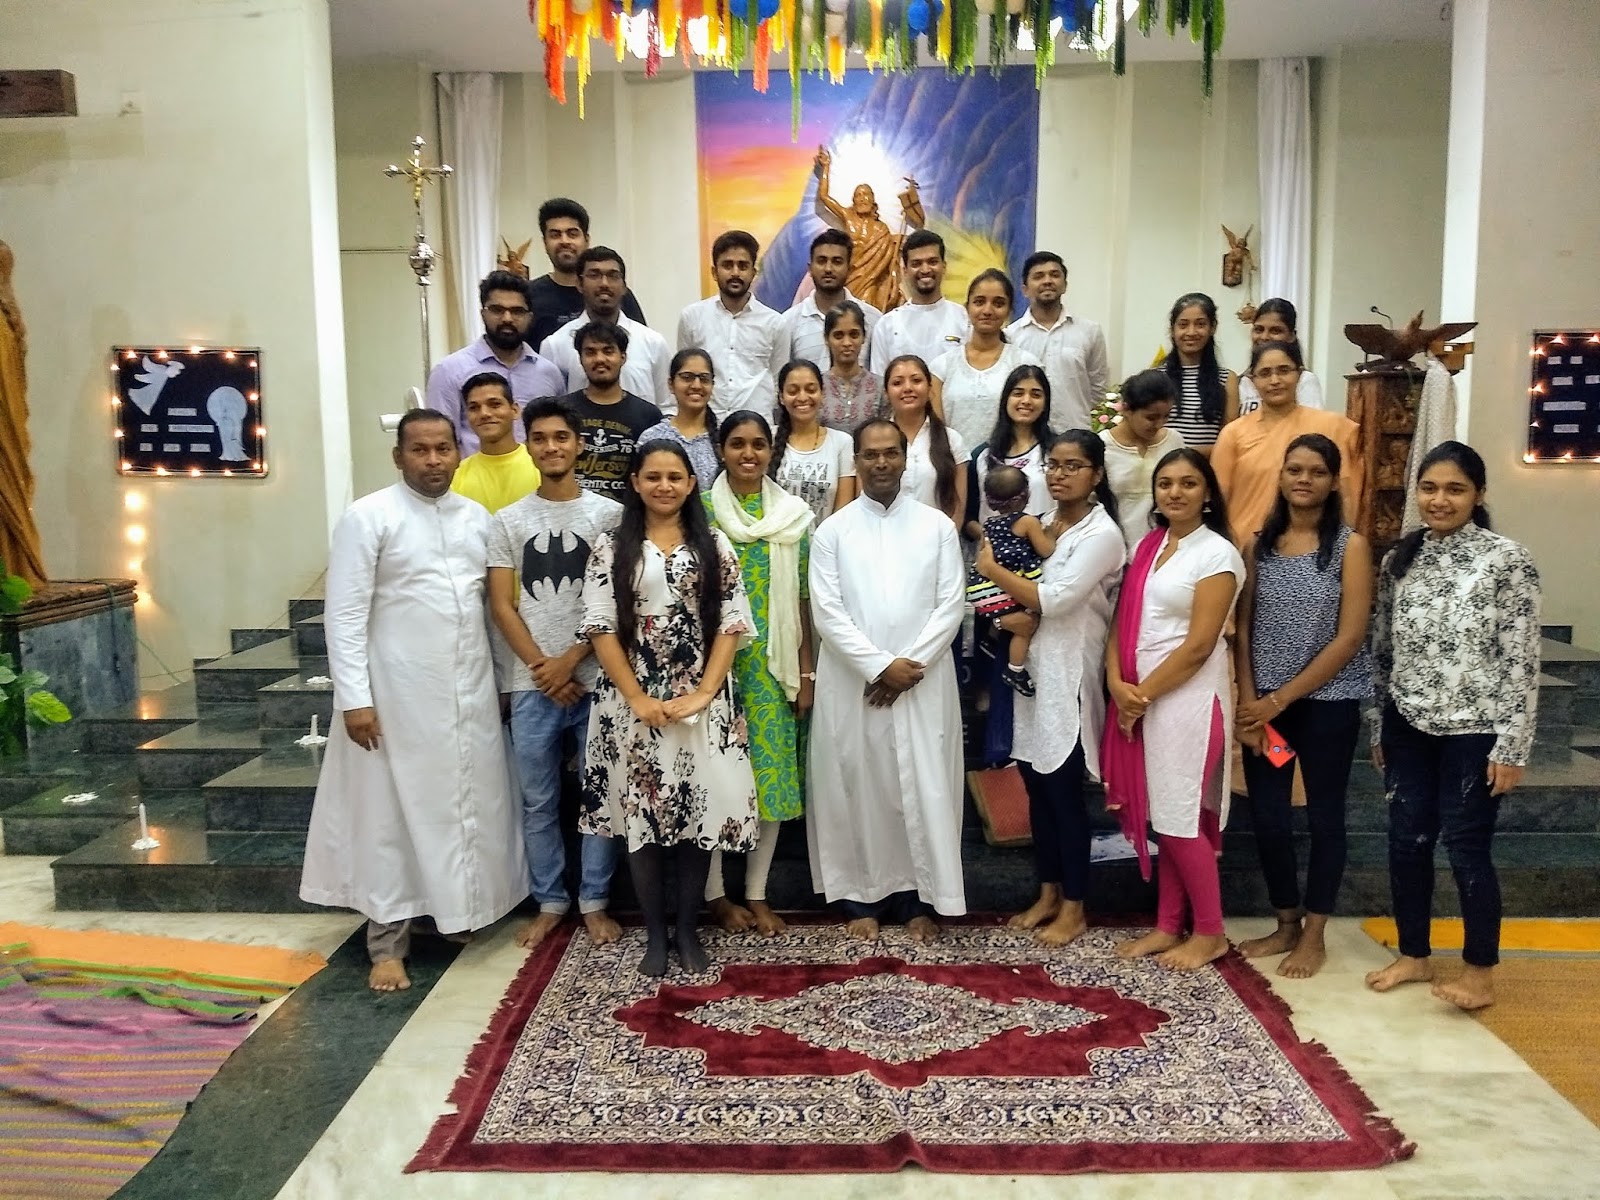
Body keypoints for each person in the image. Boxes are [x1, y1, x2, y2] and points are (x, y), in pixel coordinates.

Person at [300, 410, 528, 992]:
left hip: (469, 695)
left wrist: (503, 682)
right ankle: (387, 943)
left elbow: (492, 611)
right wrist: (355, 699)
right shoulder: (369, 517)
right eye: (420, 450)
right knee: (391, 818)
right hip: (395, 699)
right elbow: (344, 615)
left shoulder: (476, 518)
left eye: (443, 448)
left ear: (458, 452)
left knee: (465, 809)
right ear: (398, 456)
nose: (433, 460)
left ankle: (455, 914)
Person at [1365, 441, 1541, 1011]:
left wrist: (1513, 744)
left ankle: (1478, 973)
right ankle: (1414, 954)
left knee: (1466, 847)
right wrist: (1378, 723)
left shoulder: (1507, 560)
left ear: (1479, 494)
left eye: (1455, 489)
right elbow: (1382, 649)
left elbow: (1521, 658)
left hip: (1476, 729)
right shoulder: (1399, 560)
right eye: (1430, 488)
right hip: (1407, 722)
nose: (1440, 500)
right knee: (1406, 841)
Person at [578, 440, 759, 977]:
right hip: (631, 701)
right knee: (644, 818)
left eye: (675, 477)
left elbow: (732, 622)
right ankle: (655, 935)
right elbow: (600, 626)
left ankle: (687, 930)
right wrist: (636, 697)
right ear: (635, 482)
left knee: (695, 814)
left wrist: (703, 693)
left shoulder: (714, 544)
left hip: (700, 699)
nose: (664, 486)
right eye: (653, 476)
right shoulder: (611, 546)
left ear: (690, 483)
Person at [808, 420, 967, 941]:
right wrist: (879, 666)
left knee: (922, 784)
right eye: (871, 455)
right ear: (855, 461)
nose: (881, 463)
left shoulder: (936, 527)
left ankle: (919, 900)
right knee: (857, 784)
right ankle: (860, 900)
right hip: (855, 681)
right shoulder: (832, 532)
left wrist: (907, 667)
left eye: (891, 453)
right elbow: (827, 613)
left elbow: (951, 604)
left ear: (905, 458)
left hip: (923, 680)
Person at [974, 431, 1125, 946]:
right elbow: (1010, 599)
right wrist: (1002, 616)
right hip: (1031, 672)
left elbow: (1056, 599)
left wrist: (992, 571)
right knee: (1035, 789)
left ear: (1097, 474)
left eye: (1073, 466)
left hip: (1069, 675)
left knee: (1062, 792)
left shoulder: (1100, 535)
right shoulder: (1040, 522)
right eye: (1054, 465)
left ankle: (1075, 906)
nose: (1060, 474)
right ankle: (1047, 893)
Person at [1233, 434, 1373, 979]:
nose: (1304, 480)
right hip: (1267, 713)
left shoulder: (1349, 547)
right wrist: (1251, 702)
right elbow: (1243, 628)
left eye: (1316, 472)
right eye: (1295, 470)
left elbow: (1350, 637)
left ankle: (1315, 934)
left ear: (1333, 481)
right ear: (1282, 476)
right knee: (1269, 818)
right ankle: (1286, 922)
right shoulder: (1259, 545)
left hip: (1326, 707)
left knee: (1323, 818)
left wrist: (1280, 698)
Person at [487, 398, 624, 952]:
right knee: (538, 800)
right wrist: (544, 669)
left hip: (597, 678)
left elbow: (618, 600)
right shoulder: (508, 521)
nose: (551, 447)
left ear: (579, 444)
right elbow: (502, 604)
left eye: (561, 437)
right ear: (528, 446)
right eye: (540, 438)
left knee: (599, 795)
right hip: (531, 683)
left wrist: (572, 659)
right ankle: (550, 901)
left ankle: (593, 900)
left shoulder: (609, 516)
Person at [1105, 447, 1245, 971]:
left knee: (1182, 817)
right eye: (1165, 483)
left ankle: (1210, 932)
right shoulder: (1150, 545)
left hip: (1189, 700)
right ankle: (1168, 925)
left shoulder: (1217, 554)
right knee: (1167, 816)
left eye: (1188, 483)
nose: (1175, 492)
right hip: (1145, 698)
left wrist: (1138, 697)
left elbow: (1199, 645)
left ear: (1207, 493)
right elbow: (1123, 622)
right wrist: (1116, 684)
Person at [703, 412, 816, 938]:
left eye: (758, 445)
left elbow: (802, 599)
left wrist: (807, 672)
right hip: (713, 671)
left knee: (769, 781)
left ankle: (756, 892)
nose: (748, 454)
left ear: (773, 451)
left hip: (774, 668)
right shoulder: (701, 513)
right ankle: (715, 895)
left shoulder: (793, 516)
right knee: (713, 781)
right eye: (737, 444)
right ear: (720, 449)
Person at [1211, 340, 1363, 544]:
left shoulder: (1331, 426)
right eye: (1265, 373)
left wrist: (1341, 546)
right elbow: (1217, 501)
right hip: (1243, 543)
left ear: (1299, 374)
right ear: (1252, 380)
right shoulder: (1233, 434)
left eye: (1284, 371)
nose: (1275, 380)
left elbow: (1345, 493)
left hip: (1313, 546)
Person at [425, 270, 565, 454]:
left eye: (517, 311)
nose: (507, 318)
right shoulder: (449, 371)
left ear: (530, 317)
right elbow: (440, 441)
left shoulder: (549, 373)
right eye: (497, 310)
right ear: (483, 314)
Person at [539, 247, 672, 411]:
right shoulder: (555, 345)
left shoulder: (653, 343)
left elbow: (667, 407)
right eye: (594, 275)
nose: (604, 284)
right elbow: (548, 411)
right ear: (579, 284)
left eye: (613, 276)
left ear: (624, 286)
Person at [677, 230, 787, 422]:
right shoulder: (692, 317)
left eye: (743, 266)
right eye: (727, 265)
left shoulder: (775, 323)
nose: (735, 273)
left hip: (757, 427)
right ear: (714, 272)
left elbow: (780, 381)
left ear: (753, 272)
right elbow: (684, 375)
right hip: (706, 425)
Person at [966, 465, 1055, 697]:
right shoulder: (1027, 522)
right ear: (1024, 495)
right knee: (1026, 624)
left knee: (1007, 608)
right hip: (999, 590)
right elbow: (1045, 550)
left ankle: (991, 638)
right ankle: (1015, 670)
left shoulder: (988, 525)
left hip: (980, 589)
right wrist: (1051, 534)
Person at [931, 270, 1041, 452]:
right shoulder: (941, 367)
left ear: (1009, 310)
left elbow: (1033, 427)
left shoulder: (1024, 363)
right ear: (967, 308)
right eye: (979, 302)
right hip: (954, 463)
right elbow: (937, 431)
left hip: (1008, 464)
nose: (988, 311)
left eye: (998, 303)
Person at [1004, 251, 1109, 431]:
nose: (1047, 281)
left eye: (1054, 275)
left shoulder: (1090, 331)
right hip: (1028, 436)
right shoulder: (1010, 336)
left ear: (1065, 285)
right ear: (1025, 289)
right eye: (1038, 276)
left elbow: (1098, 388)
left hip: (1075, 433)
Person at [526, 197, 648, 351]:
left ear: (587, 240)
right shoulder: (529, 295)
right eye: (555, 235)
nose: (564, 241)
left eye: (572, 234)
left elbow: (640, 345)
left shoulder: (615, 293)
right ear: (545, 243)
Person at [812, 149, 925, 313]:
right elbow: (824, 197)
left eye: (866, 195)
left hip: (871, 281)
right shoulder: (848, 217)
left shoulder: (881, 229)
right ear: (853, 200)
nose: (862, 198)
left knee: (865, 313)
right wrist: (826, 168)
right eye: (858, 195)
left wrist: (894, 278)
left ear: (873, 201)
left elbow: (889, 261)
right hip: (849, 277)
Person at [560, 321, 664, 499]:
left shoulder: (648, 415)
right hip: (571, 510)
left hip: (627, 513)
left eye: (608, 351)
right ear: (580, 359)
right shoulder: (561, 411)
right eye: (590, 352)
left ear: (623, 357)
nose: (599, 359)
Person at [1102, 369, 1186, 553]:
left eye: (1166, 416)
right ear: (1126, 409)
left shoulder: (1173, 440)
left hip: (1163, 545)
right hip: (1114, 546)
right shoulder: (1103, 446)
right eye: (1151, 417)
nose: (1159, 424)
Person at [964, 364, 1055, 532]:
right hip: (995, 547)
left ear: (1045, 403)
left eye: (1036, 395)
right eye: (1018, 393)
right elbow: (968, 517)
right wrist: (990, 537)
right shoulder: (982, 455)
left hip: (1048, 544)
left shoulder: (1056, 451)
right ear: (1005, 399)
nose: (1026, 401)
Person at [770, 359, 858, 524]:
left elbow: (843, 513)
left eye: (810, 390)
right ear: (781, 397)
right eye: (793, 391)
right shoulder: (768, 439)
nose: (803, 397)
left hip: (825, 539)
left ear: (822, 393)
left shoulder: (842, 443)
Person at [782, 229, 883, 369]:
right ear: (810, 268)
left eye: (837, 262)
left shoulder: (873, 319)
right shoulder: (789, 322)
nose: (828, 269)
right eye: (821, 261)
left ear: (850, 269)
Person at [884, 354, 967, 526]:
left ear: (930, 388)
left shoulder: (952, 440)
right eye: (897, 383)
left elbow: (957, 510)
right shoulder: (876, 442)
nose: (908, 388)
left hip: (938, 537)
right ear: (886, 393)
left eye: (916, 381)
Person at [868, 231, 968, 368]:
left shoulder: (964, 318)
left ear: (944, 266)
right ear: (905, 271)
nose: (925, 270)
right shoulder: (886, 325)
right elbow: (879, 378)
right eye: (916, 264)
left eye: (932, 262)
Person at [449, 373, 542, 513]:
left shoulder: (540, 465)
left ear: (515, 410)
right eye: (474, 408)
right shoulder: (456, 476)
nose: (484, 413)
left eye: (494, 405)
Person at [1160, 292, 1239, 452]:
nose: (1191, 332)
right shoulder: (1157, 377)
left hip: (1207, 465)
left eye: (1200, 324)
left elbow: (1229, 440)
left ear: (1213, 327)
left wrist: (1189, 455)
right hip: (1163, 464)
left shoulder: (1227, 379)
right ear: (1172, 330)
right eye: (1183, 325)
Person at [637, 348, 721, 488]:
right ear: (671, 384)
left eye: (704, 379)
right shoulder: (652, 437)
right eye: (687, 377)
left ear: (712, 385)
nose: (696, 385)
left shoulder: (725, 438)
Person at [1237, 298, 1323, 416]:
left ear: (1292, 336)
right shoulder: (1242, 381)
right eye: (1259, 330)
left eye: (1275, 331)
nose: (1264, 337)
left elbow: (1313, 423)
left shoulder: (1304, 380)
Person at [818, 301, 883, 429]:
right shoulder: (816, 388)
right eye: (838, 336)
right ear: (826, 339)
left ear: (864, 337)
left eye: (854, 335)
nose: (847, 343)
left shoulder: (880, 387)